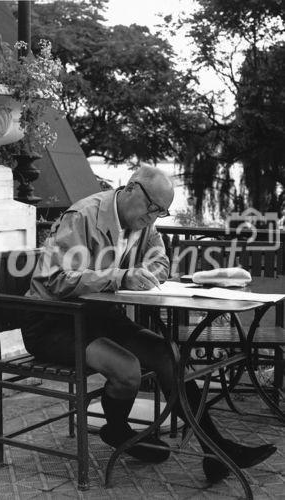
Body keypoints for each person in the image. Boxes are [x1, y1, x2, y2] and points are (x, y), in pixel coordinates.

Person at [22, 166, 276, 483]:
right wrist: (120, 275)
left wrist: (146, 270)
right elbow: (57, 279)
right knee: (127, 368)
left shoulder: (143, 223)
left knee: (167, 353)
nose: (154, 218)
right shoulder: (82, 216)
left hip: (97, 315)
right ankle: (118, 430)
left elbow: (160, 261)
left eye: (162, 212)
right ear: (131, 189)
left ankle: (214, 449)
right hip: (52, 322)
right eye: (152, 208)